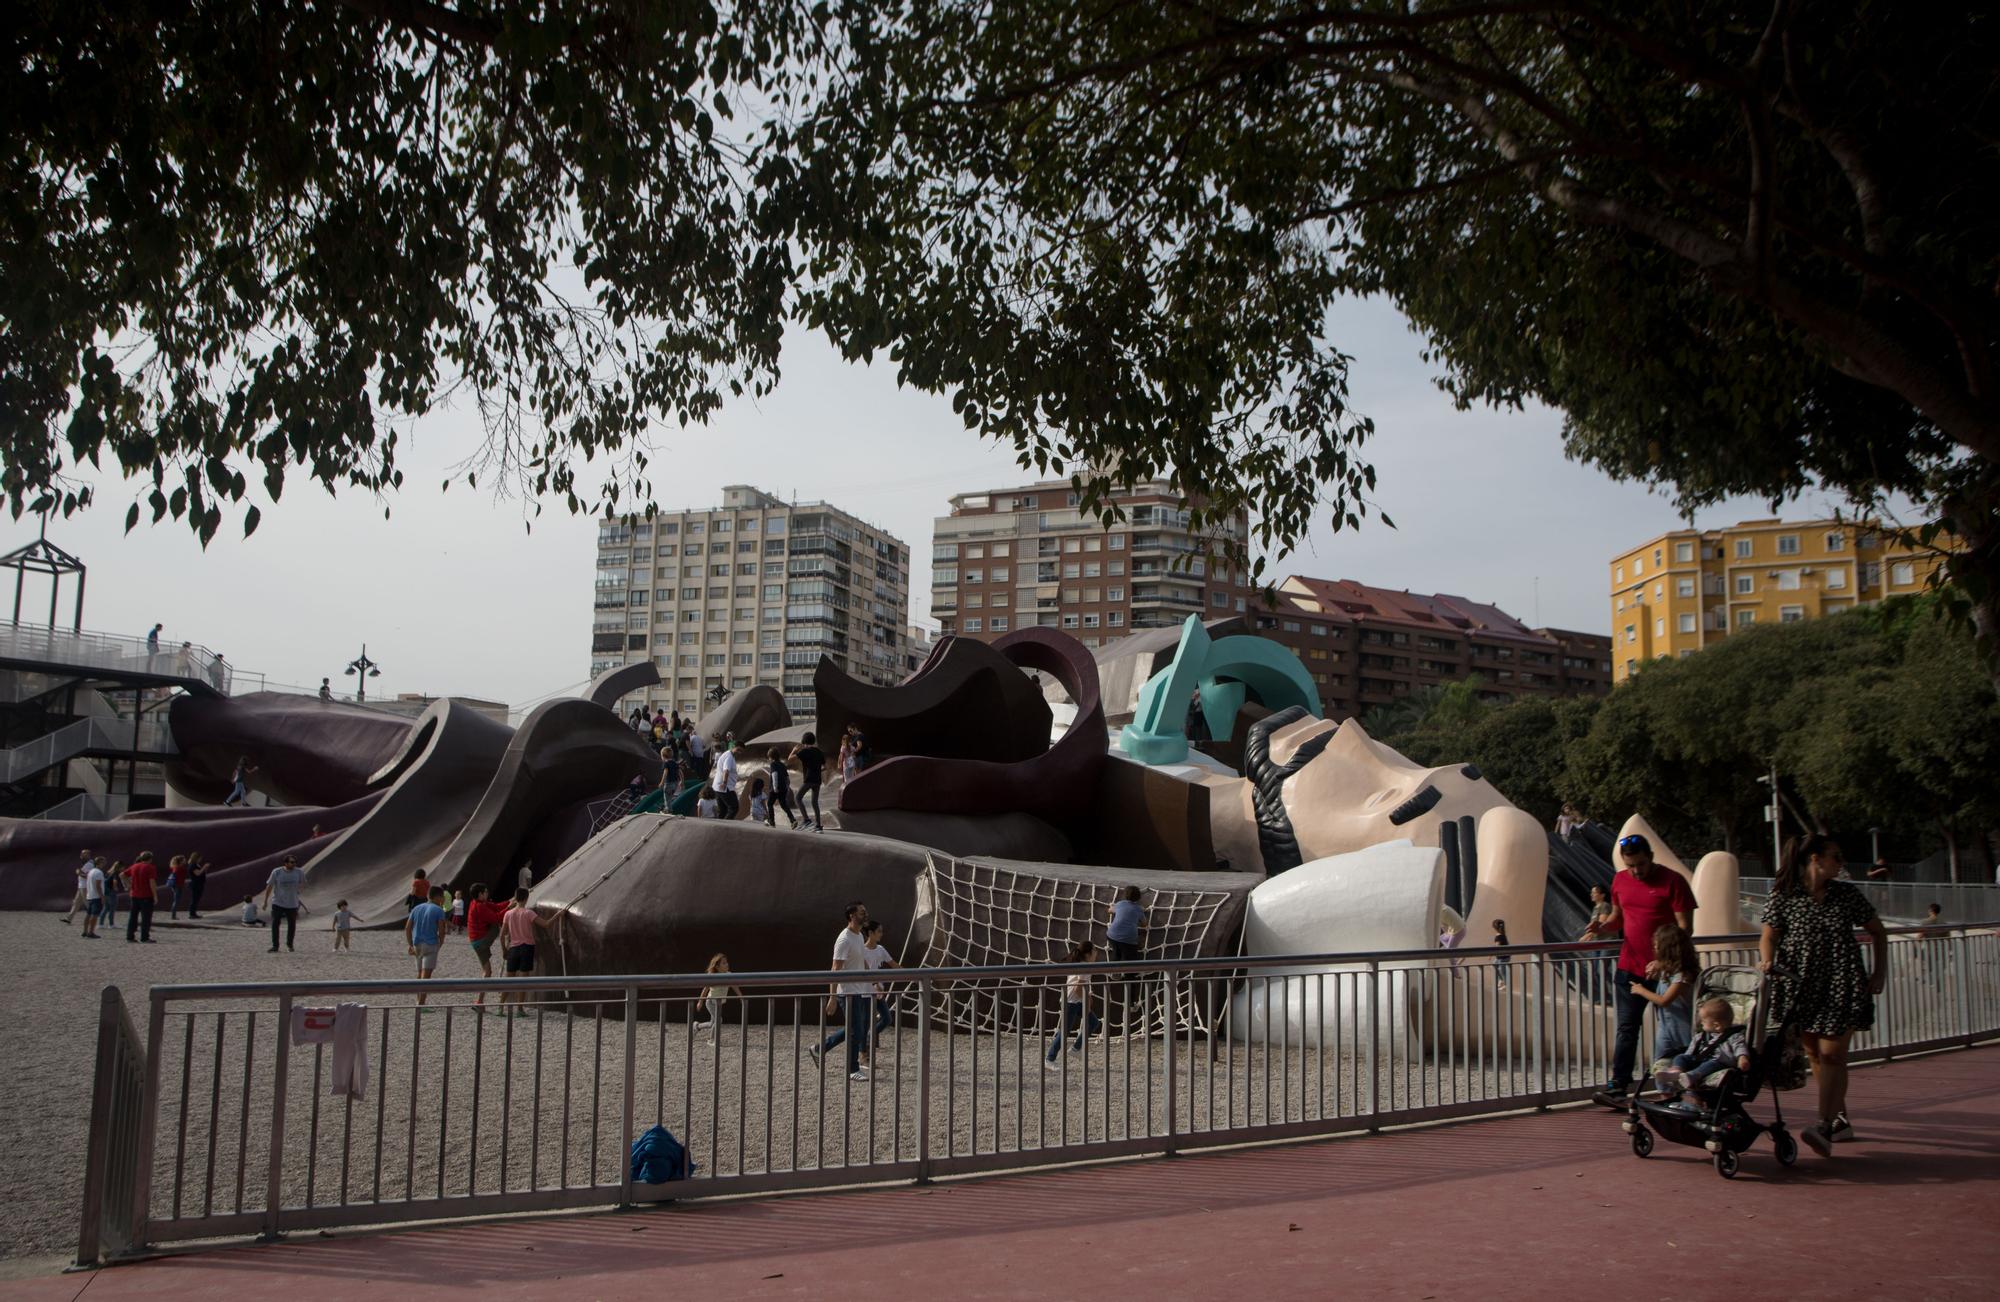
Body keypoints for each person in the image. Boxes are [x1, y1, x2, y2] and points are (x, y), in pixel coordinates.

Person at [1759, 833, 1889, 1156]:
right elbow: (1769, 935)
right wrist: (1767, 959)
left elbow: (1878, 931)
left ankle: (1822, 1124)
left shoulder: (1846, 895)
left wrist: (1879, 972)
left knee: (1833, 1055)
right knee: (1815, 1055)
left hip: (1842, 983)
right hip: (1802, 986)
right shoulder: (1784, 896)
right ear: (1815, 859)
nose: (1840, 863)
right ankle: (1839, 1119)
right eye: (1836, 857)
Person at [1583, 832, 1696, 1099]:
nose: (1635, 871)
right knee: (1627, 1028)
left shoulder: (1673, 881)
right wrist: (1602, 927)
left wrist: (1665, 960)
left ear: (1651, 858)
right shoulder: (1620, 880)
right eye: (1630, 866)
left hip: (1668, 972)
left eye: (1641, 865)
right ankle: (1619, 1084)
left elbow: (1685, 927)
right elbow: (1617, 919)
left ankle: (1678, 1083)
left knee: (1675, 1031)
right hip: (1630, 967)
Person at [811, 904, 875, 1081]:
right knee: (857, 1030)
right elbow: (835, 968)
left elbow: (861, 960)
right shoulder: (844, 939)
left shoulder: (859, 935)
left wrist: (874, 979)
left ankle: (819, 1049)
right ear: (852, 915)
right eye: (862, 912)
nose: (865, 914)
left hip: (858, 990)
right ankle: (852, 1069)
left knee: (856, 1029)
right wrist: (832, 997)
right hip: (846, 992)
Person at [1657, 996, 1753, 1100]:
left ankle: (1692, 1076)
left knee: (1711, 1064)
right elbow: (1691, 1051)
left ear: (1716, 1025)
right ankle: (1675, 1071)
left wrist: (1742, 1058)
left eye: (1703, 1021)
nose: (1701, 1023)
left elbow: (1740, 1048)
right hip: (1699, 1059)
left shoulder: (1734, 1036)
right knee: (1680, 1057)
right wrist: (1687, 1061)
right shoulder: (1700, 1036)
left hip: (1719, 1063)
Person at [1632, 922, 1696, 1062]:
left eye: (1657, 946)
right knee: (1659, 1065)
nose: (1654, 949)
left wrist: (1641, 990)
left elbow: (1664, 1000)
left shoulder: (1683, 975)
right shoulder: (1668, 971)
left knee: (1683, 1062)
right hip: (1666, 1027)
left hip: (1683, 1029)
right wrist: (1657, 968)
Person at [1046, 940, 1103, 1068]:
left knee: (1093, 1022)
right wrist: (1087, 1000)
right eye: (1094, 950)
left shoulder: (1084, 965)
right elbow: (1078, 988)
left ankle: (1076, 1049)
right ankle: (1049, 1059)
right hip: (1071, 1002)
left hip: (1078, 1001)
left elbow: (1082, 986)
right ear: (1088, 954)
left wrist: (1088, 996)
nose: (1096, 953)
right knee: (1064, 1032)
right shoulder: (1084, 966)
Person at [499, 889, 555, 1013]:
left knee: (509, 979)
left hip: (513, 948)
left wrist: (504, 950)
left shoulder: (508, 914)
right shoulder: (528, 913)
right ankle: (519, 1009)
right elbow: (546, 924)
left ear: (515, 897)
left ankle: (500, 1007)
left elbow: (502, 935)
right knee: (523, 981)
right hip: (527, 948)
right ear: (526, 898)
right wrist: (558, 915)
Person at [1105, 885, 1148, 1034]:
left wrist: (1112, 908)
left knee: (1116, 951)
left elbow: (1109, 910)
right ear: (1138, 898)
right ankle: (1131, 1002)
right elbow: (1144, 924)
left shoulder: (1120, 904)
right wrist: (1141, 913)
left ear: (1125, 896)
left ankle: (1114, 970)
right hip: (1129, 940)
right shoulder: (1138, 909)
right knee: (1131, 969)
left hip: (1112, 934)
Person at [464, 883, 510, 1005]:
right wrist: (510, 909)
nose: (487, 894)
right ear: (480, 894)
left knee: (487, 972)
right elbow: (497, 917)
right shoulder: (479, 907)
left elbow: (495, 906)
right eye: (485, 892)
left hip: (475, 942)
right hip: (481, 941)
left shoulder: (476, 903)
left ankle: (479, 1001)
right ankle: (509, 935)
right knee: (496, 924)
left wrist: (510, 901)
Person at [406, 887, 448, 1006]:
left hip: (417, 944)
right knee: (426, 976)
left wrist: (410, 944)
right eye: (442, 897)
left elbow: (408, 928)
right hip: (430, 944)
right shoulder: (438, 910)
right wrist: (441, 942)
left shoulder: (416, 908)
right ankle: (421, 1004)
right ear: (438, 897)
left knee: (419, 974)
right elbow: (441, 929)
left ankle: (417, 1000)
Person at [263, 854, 307, 952]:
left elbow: (304, 883)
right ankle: (275, 945)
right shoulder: (277, 872)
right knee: (275, 923)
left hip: (292, 903)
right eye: (291, 862)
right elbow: (269, 886)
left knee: (292, 924)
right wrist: (265, 901)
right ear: (286, 863)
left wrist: (299, 890)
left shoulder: (299, 872)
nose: (294, 864)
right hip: (278, 902)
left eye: (295, 862)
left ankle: (289, 944)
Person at [694, 954, 736, 1042]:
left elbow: (734, 985)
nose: (727, 964)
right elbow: (705, 989)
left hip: (719, 1003)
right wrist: (700, 1002)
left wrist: (741, 996)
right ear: (717, 966)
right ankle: (712, 1040)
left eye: (726, 962)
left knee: (712, 1023)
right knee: (718, 1020)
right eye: (724, 963)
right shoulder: (713, 976)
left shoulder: (729, 975)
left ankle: (697, 1026)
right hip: (710, 1002)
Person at [791, 733, 826, 831]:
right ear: (813, 741)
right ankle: (818, 826)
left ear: (804, 741)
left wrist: (794, 750)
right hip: (817, 780)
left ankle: (806, 819)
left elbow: (790, 759)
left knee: (797, 798)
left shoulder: (804, 751)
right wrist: (816, 769)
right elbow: (824, 767)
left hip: (809, 779)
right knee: (814, 802)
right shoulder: (819, 752)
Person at [122, 851, 159, 943]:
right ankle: (144, 937)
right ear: (150, 859)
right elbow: (152, 882)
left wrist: (128, 885)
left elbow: (122, 874)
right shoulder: (150, 867)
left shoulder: (134, 866)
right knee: (146, 917)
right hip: (146, 895)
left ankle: (130, 936)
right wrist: (155, 895)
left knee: (133, 916)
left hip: (134, 894)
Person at [767, 752, 800, 829]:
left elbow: (774, 774)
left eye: (769, 757)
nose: (769, 759)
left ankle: (771, 821)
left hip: (775, 788)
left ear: (771, 757)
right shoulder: (782, 765)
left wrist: (775, 787)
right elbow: (787, 778)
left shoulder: (773, 764)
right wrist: (787, 787)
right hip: (783, 788)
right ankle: (792, 820)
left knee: (769, 803)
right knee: (784, 804)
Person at [80, 856, 108, 939]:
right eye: (103, 862)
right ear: (100, 863)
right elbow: (98, 886)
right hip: (96, 896)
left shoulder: (91, 871)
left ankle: (85, 931)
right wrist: (102, 897)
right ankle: (91, 932)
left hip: (90, 895)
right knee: (94, 915)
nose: (105, 863)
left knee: (88, 914)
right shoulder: (99, 872)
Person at [712, 741, 741, 819]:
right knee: (734, 807)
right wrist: (724, 783)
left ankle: (719, 826)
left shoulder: (727, 754)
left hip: (718, 786)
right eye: (738, 750)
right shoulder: (729, 757)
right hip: (725, 787)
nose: (739, 752)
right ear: (734, 746)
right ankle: (726, 826)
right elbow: (726, 770)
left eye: (741, 751)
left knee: (723, 810)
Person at [64, 850, 92, 925]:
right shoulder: (85, 864)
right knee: (76, 903)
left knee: (87, 903)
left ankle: (94, 918)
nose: (81, 856)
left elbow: (88, 876)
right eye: (81, 854)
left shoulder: (90, 864)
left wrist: (78, 872)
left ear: (88, 855)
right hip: (81, 886)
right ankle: (69, 918)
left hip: (85, 886)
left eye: (84, 854)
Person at [1490, 918, 1511, 989]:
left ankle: (1506, 985)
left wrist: (1490, 953)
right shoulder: (1502, 934)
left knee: (1503, 971)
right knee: (1494, 965)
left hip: (1503, 957)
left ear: (1495, 928)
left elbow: (1497, 946)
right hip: (1501, 956)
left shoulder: (1499, 936)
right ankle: (1501, 980)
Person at [186, 853, 208, 918]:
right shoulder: (192, 865)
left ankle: (194, 913)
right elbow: (197, 873)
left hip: (199, 884)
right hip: (196, 884)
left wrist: (205, 869)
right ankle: (191, 914)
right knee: (194, 899)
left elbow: (202, 873)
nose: (200, 859)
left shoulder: (196, 865)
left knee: (197, 899)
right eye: (199, 858)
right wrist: (204, 867)